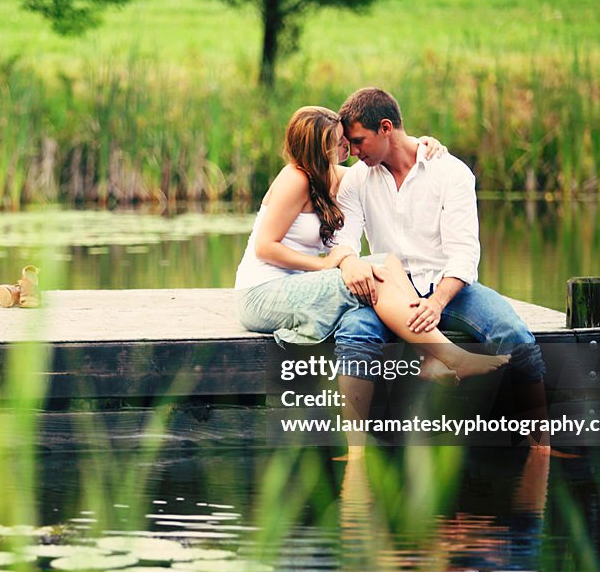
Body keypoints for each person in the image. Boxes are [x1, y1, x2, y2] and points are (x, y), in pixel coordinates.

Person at [331, 87, 549, 444]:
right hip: (389, 292)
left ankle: (542, 447)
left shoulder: (450, 172)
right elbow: (344, 240)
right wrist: (349, 263)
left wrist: (436, 303)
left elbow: (464, 253)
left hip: (449, 288)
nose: (353, 152)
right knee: (354, 333)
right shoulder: (356, 179)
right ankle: (354, 452)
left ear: (386, 128)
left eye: (359, 141)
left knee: (514, 335)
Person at [235, 105, 509, 383]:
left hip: (295, 287)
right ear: (320, 147)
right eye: (339, 141)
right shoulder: (293, 178)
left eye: (349, 139)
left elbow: (388, 165)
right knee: (375, 270)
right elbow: (265, 247)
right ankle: (449, 356)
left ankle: (430, 357)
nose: (348, 147)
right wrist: (324, 264)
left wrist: (420, 146)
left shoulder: (330, 176)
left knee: (383, 263)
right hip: (260, 295)